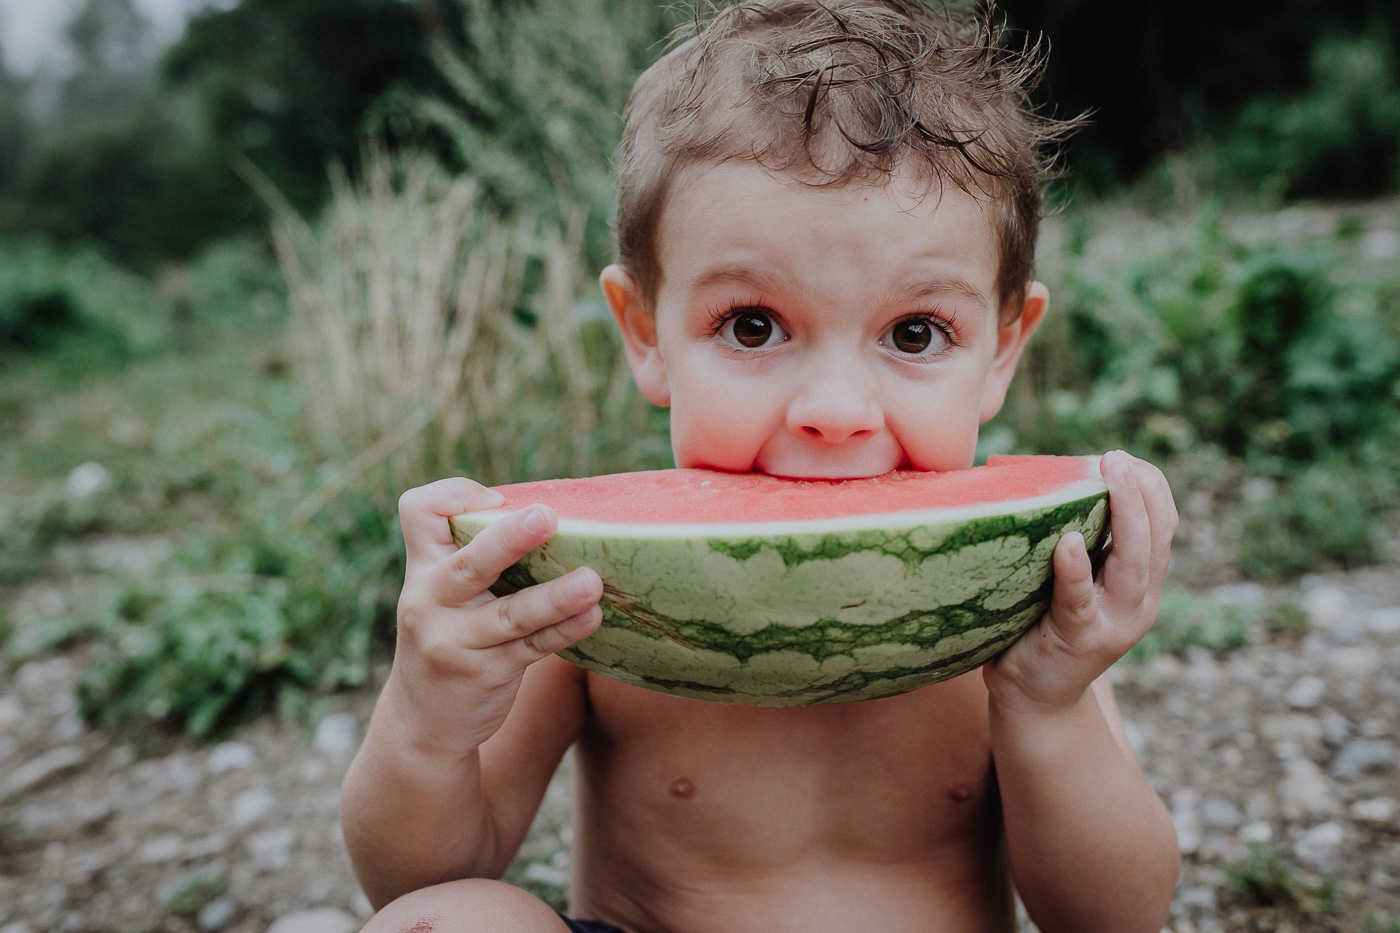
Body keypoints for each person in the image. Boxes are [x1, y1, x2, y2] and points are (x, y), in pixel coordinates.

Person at [342, 2, 1181, 931]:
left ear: (1001, 350)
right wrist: (427, 720)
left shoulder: (1023, 606)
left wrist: (1048, 706)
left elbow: (1117, 917)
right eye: (753, 326)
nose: (832, 412)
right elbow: (417, 880)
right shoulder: (587, 591)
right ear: (645, 333)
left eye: (914, 332)